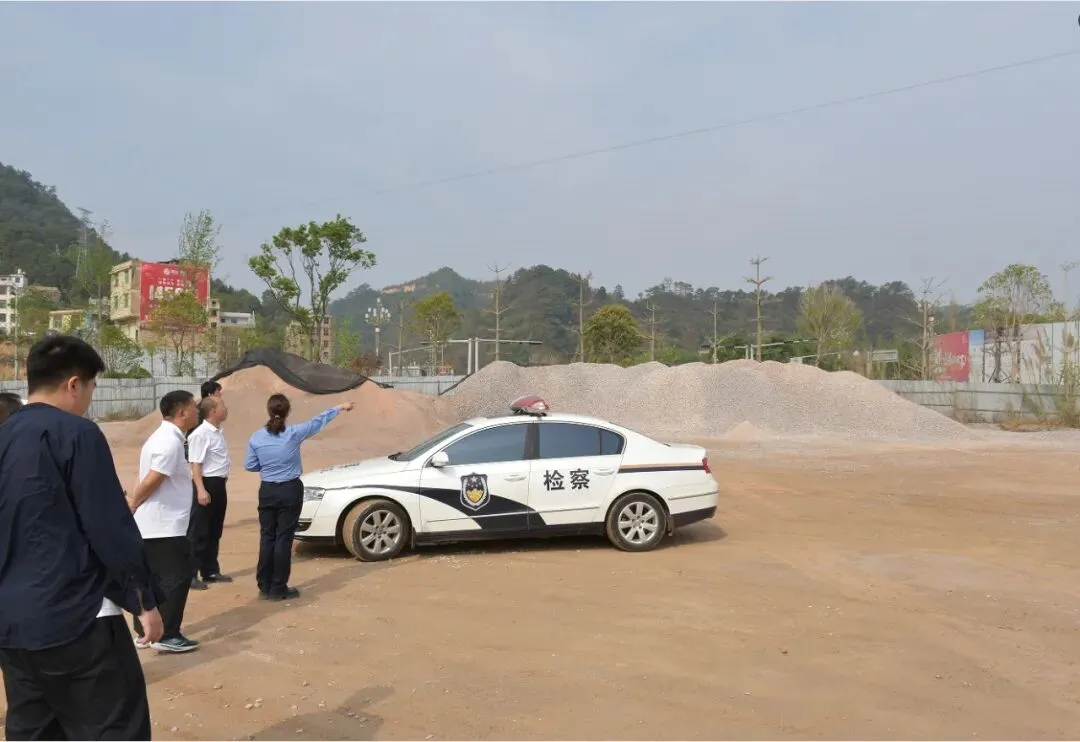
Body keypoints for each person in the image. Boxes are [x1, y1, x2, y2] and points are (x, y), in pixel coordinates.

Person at [0, 335, 162, 740]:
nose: (90, 397)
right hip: (78, 619)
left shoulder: (4, 436)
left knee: (34, 730)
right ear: (74, 384)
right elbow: (108, 525)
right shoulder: (77, 434)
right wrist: (141, 598)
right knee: (114, 728)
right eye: (91, 387)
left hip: (14, 625)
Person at [244, 394, 353, 601]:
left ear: (269, 411)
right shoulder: (294, 433)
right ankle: (278, 587)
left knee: (267, 537)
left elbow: (250, 465)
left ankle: (264, 584)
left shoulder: (256, 437)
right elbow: (318, 421)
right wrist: (340, 407)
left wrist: (267, 466)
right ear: (287, 412)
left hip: (267, 490)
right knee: (283, 538)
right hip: (289, 489)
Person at [127, 390, 200, 653]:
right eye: (194, 407)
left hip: (157, 524)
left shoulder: (163, 438)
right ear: (182, 412)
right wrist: (133, 504)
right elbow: (153, 478)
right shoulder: (169, 441)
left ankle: (145, 633)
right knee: (175, 577)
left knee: (153, 578)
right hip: (165, 525)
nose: (197, 411)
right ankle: (167, 634)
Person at [187, 395, 233, 587]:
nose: (226, 408)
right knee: (199, 531)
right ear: (214, 411)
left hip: (219, 484)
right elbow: (195, 464)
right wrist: (201, 489)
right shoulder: (201, 434)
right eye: (222, 405)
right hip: (206, 484)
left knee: (215, 529)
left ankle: (210, 570)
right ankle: (190, 574)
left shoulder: (217, 432)